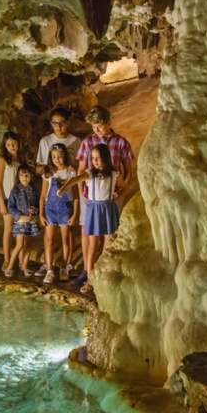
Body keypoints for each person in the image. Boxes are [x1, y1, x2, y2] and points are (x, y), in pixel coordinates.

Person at [73, 105, 134, 286]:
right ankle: (87, 270)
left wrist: (121, 192)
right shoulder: (87, 142)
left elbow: (127, 170)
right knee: (88, 231)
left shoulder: (121, 143)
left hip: (112, 195)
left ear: (108, 122)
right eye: (93, 127)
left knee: (109, 232)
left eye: (99, 126)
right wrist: (82, 194)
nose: (96, 130)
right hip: (89, 195)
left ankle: (104, 270)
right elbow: (81, 170)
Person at [57, 144, 126, 293]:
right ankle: (89, 280)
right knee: (92, 247)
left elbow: (124, 187)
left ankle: (105, 277)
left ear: (106, 158)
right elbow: (75, 180)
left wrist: (117, 197)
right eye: (92, 158)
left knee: (108, 245)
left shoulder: (114, 174)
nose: (94, 161)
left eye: (98, 158)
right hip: (94, 210)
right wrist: (63, 188)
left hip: (108, 209)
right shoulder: (90, 174)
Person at [35, 107, 81, 278]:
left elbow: (81, 169)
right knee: (49, 236)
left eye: (62, 123)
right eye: (54, 123)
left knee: (67, 234)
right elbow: (38, 167)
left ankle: (65, 265)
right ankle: (49, 267)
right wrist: (49, 169)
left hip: (69, 193)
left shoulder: (76, 142)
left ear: (68, 122)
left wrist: (73, 170)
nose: (58, 126)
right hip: (51, 200)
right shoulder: (45, 142)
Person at [39, 143, 79, 284]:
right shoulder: (48, 173)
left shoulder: (70, 173)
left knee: (65, 239)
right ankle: (50, 270)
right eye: (54, 157)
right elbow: (43, 195)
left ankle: (64, 267)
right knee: (49, 239)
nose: (57, 159)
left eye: (60, 157)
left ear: (65, 157)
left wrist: (74, 214)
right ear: (50, 157)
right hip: (50, 209)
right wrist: (41, 214)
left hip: (65, 209)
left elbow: (74, 195)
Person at [4, 164, 41, 278]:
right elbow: (10, 207)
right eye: (22, 175)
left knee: (28, 244)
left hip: (31, 221)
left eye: (27, 175)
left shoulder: (34, 190)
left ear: (31, 176)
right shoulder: (15, 191)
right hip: (20, 222)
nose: (25, 177)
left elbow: (38, 204)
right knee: (19, 245)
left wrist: (35, 210)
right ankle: (10, 266)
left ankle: (25, 266)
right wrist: (20, 216)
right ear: (18, 177)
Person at [0, 131, 24, 271]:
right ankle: (6, 259)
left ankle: (20, 260)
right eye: (9, 145)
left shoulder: (21, 160)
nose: (12, 147)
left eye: (14, 144)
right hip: (8, 199)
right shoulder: (2, 160)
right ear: (5, 146)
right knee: (8, 229)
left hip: (21, 200)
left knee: (21, 230)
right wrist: (2, 203)